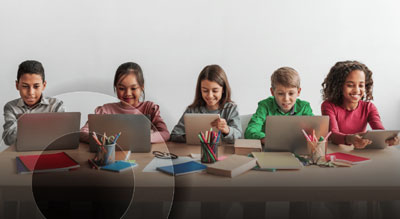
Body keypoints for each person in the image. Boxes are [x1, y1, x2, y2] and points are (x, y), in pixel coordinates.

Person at [80, 62, 169, 143]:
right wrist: (104, 140)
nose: (128, 94)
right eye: (122, 88)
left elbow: (165, 133)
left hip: (143, 158)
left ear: (142, 87)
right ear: (116, 87)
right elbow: (82, 132)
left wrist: (141, 138)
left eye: (133, 88)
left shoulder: (150, 108)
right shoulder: (105, 111)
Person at [321, 60, 399, 148]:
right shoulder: (328, 105)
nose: (357, 90)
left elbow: (380, 131)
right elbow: (333, 135)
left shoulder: (369, 107)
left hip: (358, 151)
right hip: (335, 151)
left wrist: (391, 138)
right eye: (350, 85)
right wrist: (350, 139)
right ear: (338, 86)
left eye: (361, 85)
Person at [170, 64, 241, 144]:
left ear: (223, 89)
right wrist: (191, 137)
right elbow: (174, 135)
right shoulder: (192, 110)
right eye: (205, 90)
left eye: (215, 91)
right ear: (200, 90)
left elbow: (238, 136)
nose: (210, 96)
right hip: (194, 153)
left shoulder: (231, 108)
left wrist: (227, 130)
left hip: (222, 154)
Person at [2, 60, 65, 146]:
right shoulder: (11, 107)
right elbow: (9, 139)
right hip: (22, 153)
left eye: (36, 86)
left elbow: (63, 136)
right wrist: (46, 129)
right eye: (25, 86)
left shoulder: (56, 105)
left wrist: (25, 130)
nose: (31, 92)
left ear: (44, 85)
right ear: (17, 85)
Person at [245, 66, 313, 144]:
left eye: (291, 93)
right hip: (270, 152)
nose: (286, 99)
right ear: (272, 92)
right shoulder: (265, 106)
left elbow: (315, 131)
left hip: (298, 150)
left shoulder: (304, 107)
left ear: (298, 92)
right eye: (281, 94)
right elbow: (250, 131)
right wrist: (265, 138)